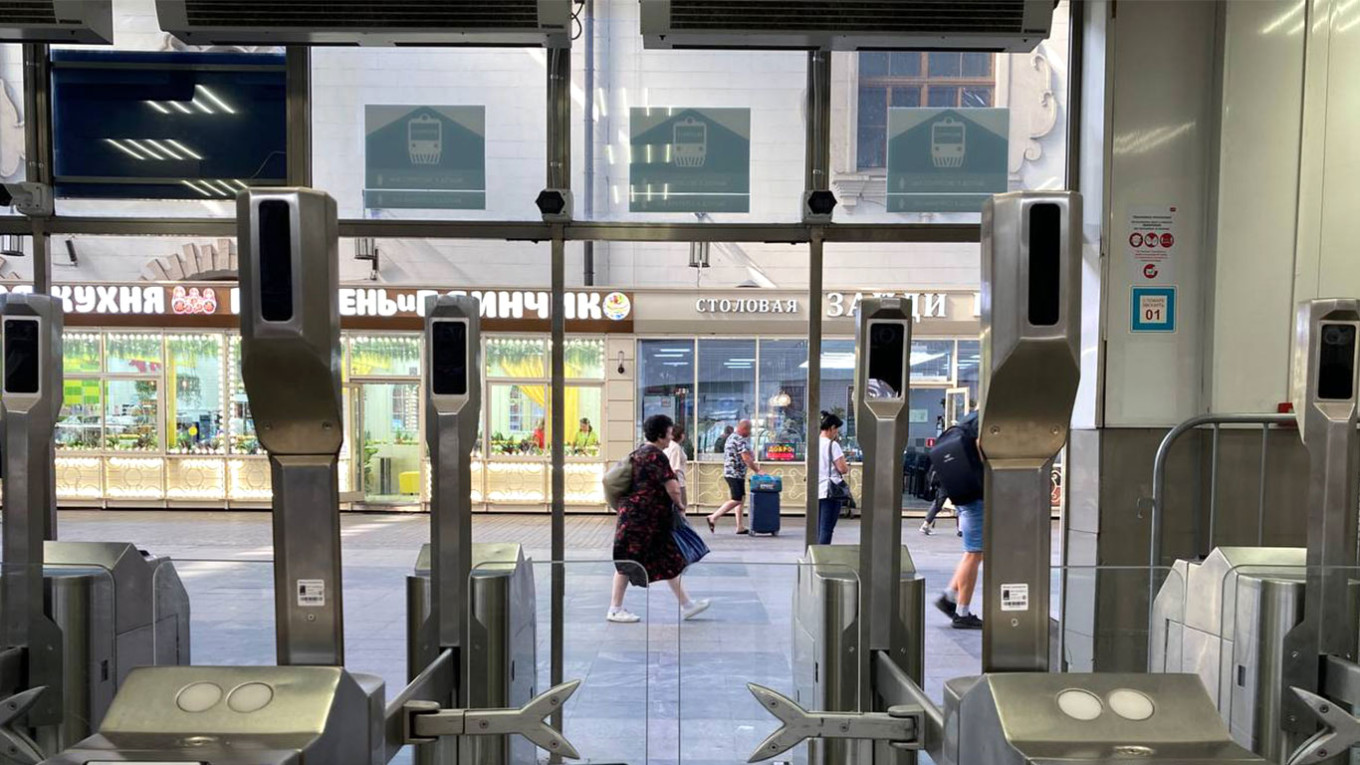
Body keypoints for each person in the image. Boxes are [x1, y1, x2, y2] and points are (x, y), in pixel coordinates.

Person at [607, 414, 710, 623]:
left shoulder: (638, 453)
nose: (671, 437)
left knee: (667, 559)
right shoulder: (656, 456)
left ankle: (687, 605)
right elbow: (673, 487)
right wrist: (680, 505)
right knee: (627, 562)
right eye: (670, 433)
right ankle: (615, 609)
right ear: (661, 434)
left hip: (642, 519)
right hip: (642, 520)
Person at [935, 409, 984, 629]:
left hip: (962, 491)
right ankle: (962, 613)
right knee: (974, 554)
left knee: (974, 552)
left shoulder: (970, 419)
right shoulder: (984, 420)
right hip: (975, 494)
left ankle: (949, 596)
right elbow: (981, 449)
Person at [707, 419, 761, 534]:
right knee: (736, 499)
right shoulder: (739, 440)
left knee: (741, 499)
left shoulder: (732, 437)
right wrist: (758, 470)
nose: (750, 432)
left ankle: (739, 526)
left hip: (733, 473)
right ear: (744, 429)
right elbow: (746, 458)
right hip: (735, 473)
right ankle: (713, 517)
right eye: (749, 429)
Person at [816, 411, 851, 545]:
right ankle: (822, 554)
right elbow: (842, 468)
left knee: (818, 526)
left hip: (816, 489)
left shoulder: (813, 444)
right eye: (836, 429)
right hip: (830, 491)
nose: (836, 433)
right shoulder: (832, 445)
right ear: (831, 428)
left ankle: (815, 551)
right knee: (827, 527)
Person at [663, 423, 689, 510]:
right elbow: (675, 468)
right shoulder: (676, 447)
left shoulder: (668, 445)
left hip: (669, 482)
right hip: (678, 482)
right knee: (681, 507)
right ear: (680, 435)